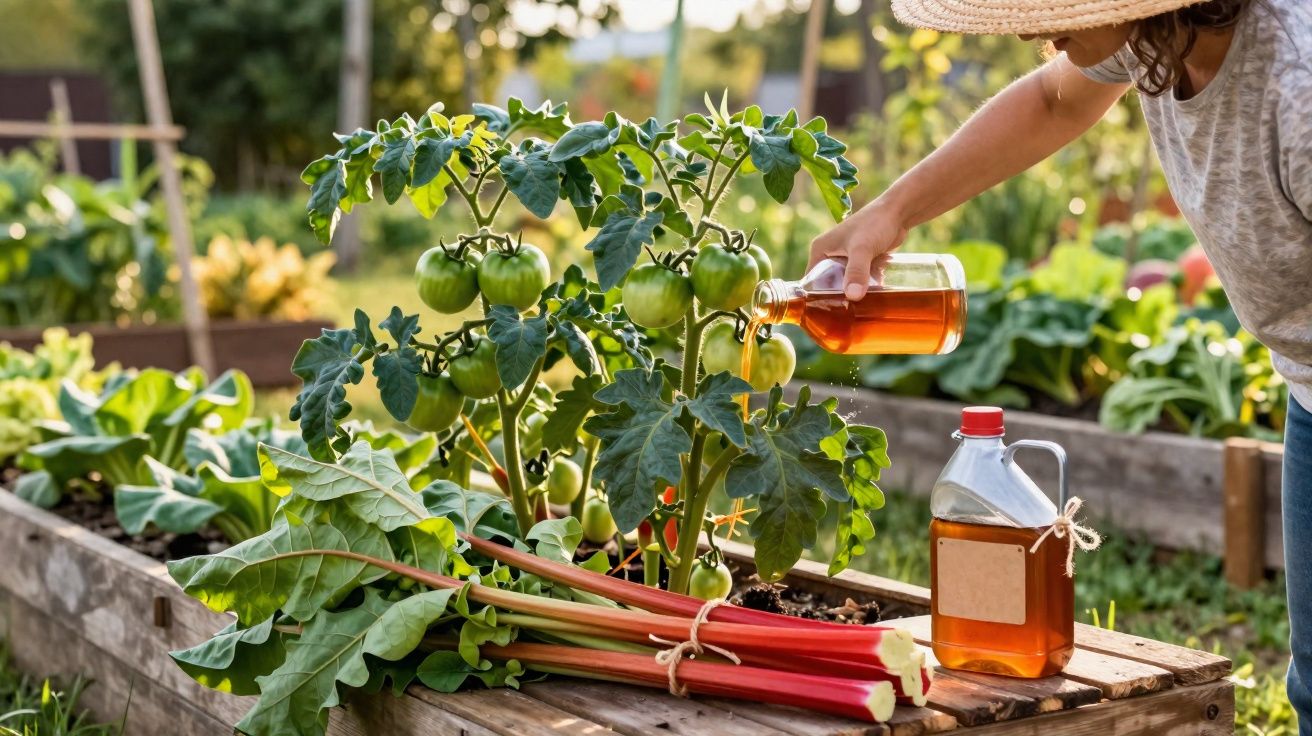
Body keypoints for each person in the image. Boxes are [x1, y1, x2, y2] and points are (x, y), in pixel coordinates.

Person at [809, 0, 1311, 726]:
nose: (1037, 29)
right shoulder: (1155, 40)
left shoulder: (1296, 85)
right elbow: (1050, 100)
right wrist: (892, 211)